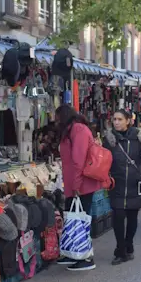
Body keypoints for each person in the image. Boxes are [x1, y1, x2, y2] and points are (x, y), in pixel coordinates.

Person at [55, 104, 101, 271]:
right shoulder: (71, 130)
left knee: (81, 219)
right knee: (72, 217)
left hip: (81, 184)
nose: (55, 121)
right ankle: (73, 252)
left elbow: (78, 160)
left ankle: (87, 257)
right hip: (74, 183)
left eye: (57, 117)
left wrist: (76, 185)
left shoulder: (78, 130)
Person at [103, 109, 141, 265]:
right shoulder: (109, 139)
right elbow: (104, 159)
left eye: (120, 119)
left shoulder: (138, 137)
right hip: (116, 183)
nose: (116, 122)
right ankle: (121, 249)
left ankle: (129, 245)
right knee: (118, 216)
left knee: (132, 217)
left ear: (128, 121)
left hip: (134, 183)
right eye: (114, 119)